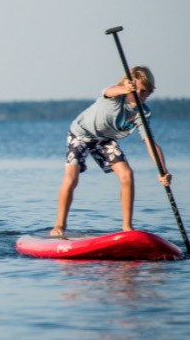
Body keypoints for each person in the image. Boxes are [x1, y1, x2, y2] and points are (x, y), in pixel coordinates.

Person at [50, 66, 171, 236]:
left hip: (104, 140)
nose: (141, 95)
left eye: (145, 92)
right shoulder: (115, 97)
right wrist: (125, 88)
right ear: (128, 85)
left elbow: (150, 143)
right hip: (81, 134)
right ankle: (59, 226)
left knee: (127, 174)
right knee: (71, 178)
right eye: (137, 90)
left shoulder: (143, 113)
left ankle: (127, 227)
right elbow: (109, 91)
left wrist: (163, 171)